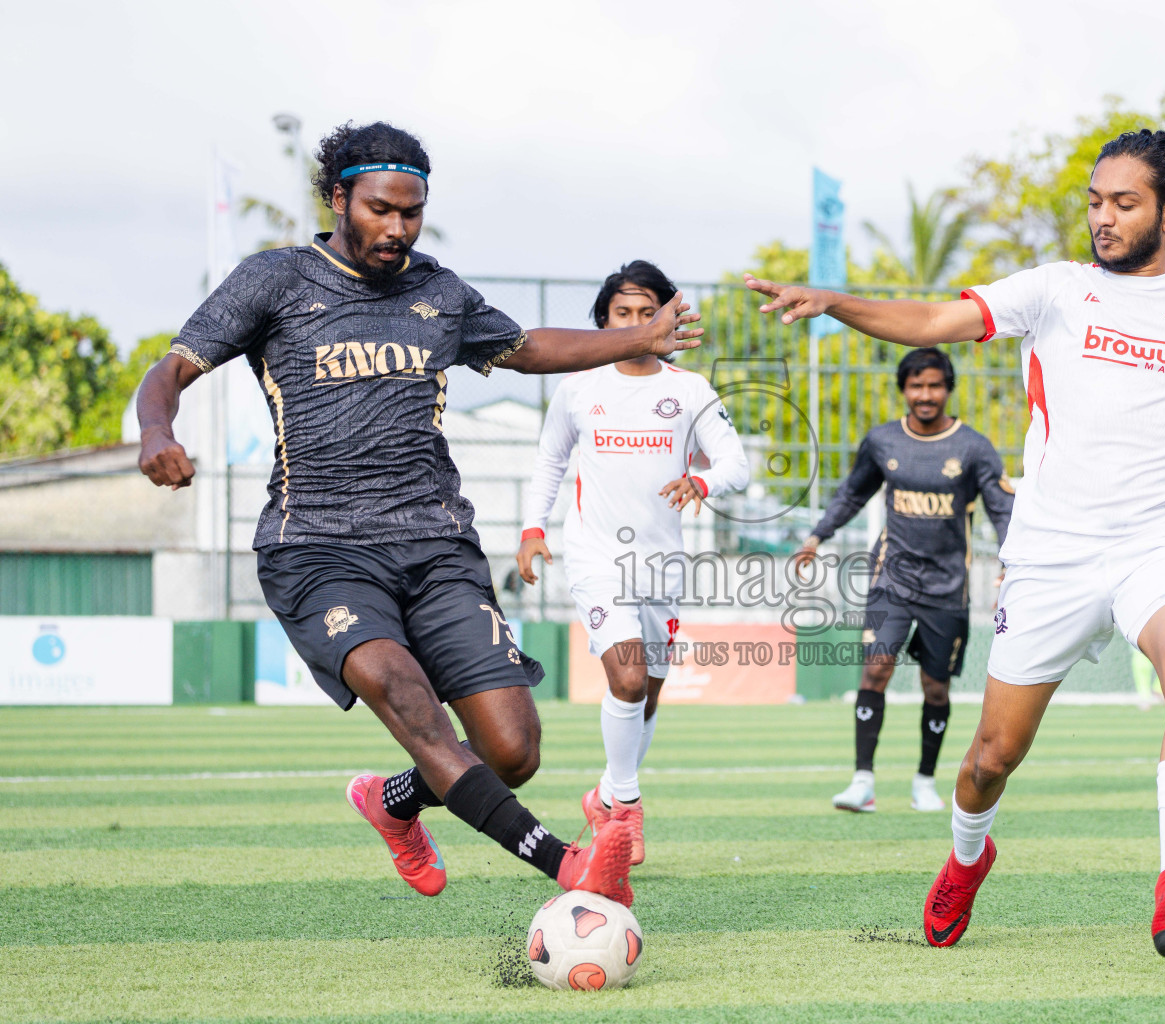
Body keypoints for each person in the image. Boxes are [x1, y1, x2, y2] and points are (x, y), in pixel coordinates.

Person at [744, 128, 1165, 958]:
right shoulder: (1055, 290)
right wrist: (837, 301)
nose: (1102, 218)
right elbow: (932, 316)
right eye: (1095, 202)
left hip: (1161, 543)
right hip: (1052, 554)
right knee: (990, 759)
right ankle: (967, 858)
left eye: (1124, 203)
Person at [136, 121, 705, 908]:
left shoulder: (438, 292)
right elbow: (169, 370)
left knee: (512, 750)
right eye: (379, 210)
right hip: (319, 551)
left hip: (437, 547)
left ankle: (392, 802)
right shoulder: (275, 280)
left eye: (412, 212)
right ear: (338, 198)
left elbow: (527, 348)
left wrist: (637, 337)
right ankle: (566, 865)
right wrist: (157, 432)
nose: (397, 229)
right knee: (413, 707)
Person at [518, 260, 749, 865]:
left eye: (650, 312)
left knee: (645, 694)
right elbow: (548, 463)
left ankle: (603, 795)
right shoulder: (578, 388)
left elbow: (736, 464)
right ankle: (626, 804)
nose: (639, 322)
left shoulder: (689, 389)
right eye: (625, 313)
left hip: (662, 566)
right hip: (596, 556)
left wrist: (702, 484)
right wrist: (532, 528)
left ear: (670, 317)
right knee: (623, 677)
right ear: (604, 321)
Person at [790, 348, 1014, 814]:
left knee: (936, 688)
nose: (925, 395)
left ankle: (925, 782)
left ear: (947, 388)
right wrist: (816, 537)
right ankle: (863, 781)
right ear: (904, 389)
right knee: (876, 669)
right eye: (916, 386)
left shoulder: (973, 447)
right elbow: (852, 492)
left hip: (948, 589)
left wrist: (1011, 563)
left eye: (934, 385)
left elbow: (1001, 509)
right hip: (889, 578)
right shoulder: (883, 441)